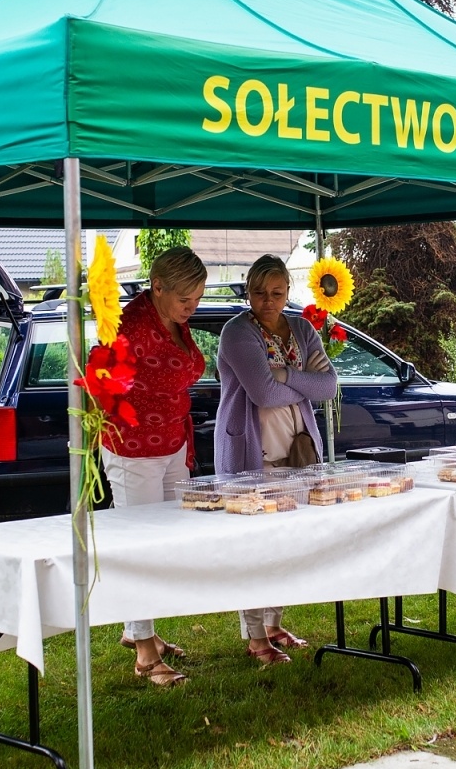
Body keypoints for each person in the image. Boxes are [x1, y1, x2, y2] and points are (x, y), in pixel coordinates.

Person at [216, 254, 339, 666]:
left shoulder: (302, 328)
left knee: (286, 542)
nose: (267, 301)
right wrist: (301, 385)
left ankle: (273, 623)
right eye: (258, 292)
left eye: (277, 293)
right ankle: (254, 636)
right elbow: (263, 395)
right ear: (247, 290)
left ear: (288, 290)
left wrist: (285, 375)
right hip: (252, 449)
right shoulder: (237, 333)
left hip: (298, 450)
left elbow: (330, 385)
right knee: (254, 545)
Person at [100, 245, 208, 687]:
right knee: (137, 545)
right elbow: (104, 380)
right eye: (186, 300)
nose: (192, 308)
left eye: (197, 299)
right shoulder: (128, 327)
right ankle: (145, 652)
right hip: (133, 447)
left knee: (165, 542)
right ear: (157, 287)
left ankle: (138, 629)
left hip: (172, 444)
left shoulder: (174, 322)